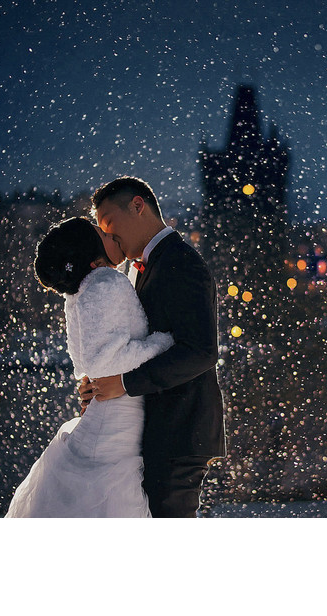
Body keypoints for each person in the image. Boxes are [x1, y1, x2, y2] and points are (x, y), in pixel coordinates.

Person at [5, 217, 173, 517]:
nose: (110, 233)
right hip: (116, 426)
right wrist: (162, 344)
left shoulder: (82, 291)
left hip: (108, 418)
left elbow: (84, 362)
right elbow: (102, 361)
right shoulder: (107, 283)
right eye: (101, 233)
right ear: (93, 253)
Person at [80, 176, 226, 518]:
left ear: (137, 205)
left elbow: (201, 351)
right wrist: (102, 382)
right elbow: (141, 343)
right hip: (164, 431)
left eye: (108, 223)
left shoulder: (180, 261)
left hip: (180, 429)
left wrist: (124, 384)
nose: (106, 234)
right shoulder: (146, 266)